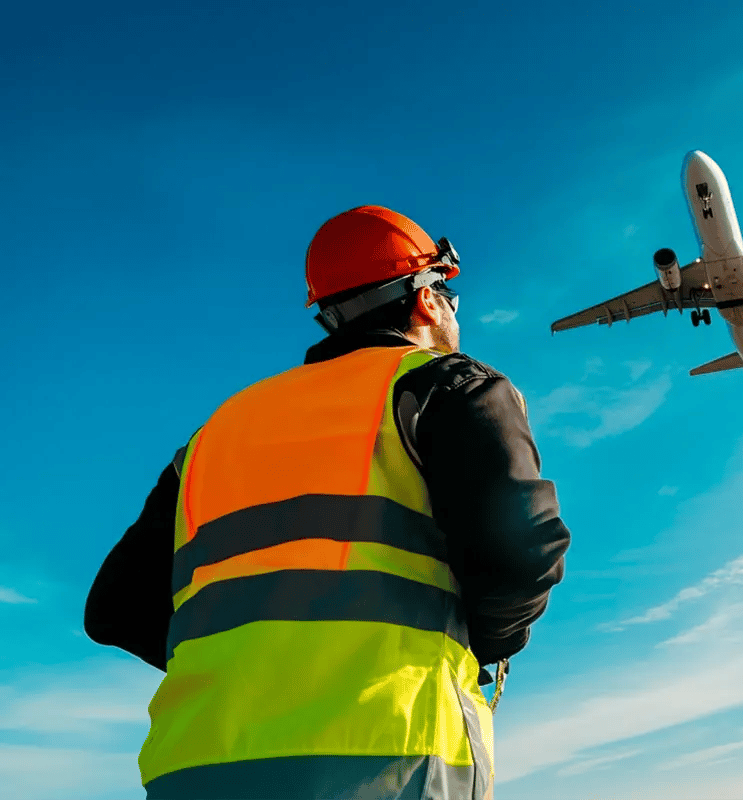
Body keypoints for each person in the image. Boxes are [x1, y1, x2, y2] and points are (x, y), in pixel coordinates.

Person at [84, 205, 571, 800]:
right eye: (450, 296)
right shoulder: (448, 385)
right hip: (389, 765)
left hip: (198, 774)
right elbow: (522, 550)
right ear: (427, 298)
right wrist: (486, 646)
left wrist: (255, 672)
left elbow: (112, 609)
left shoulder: (215, 435)